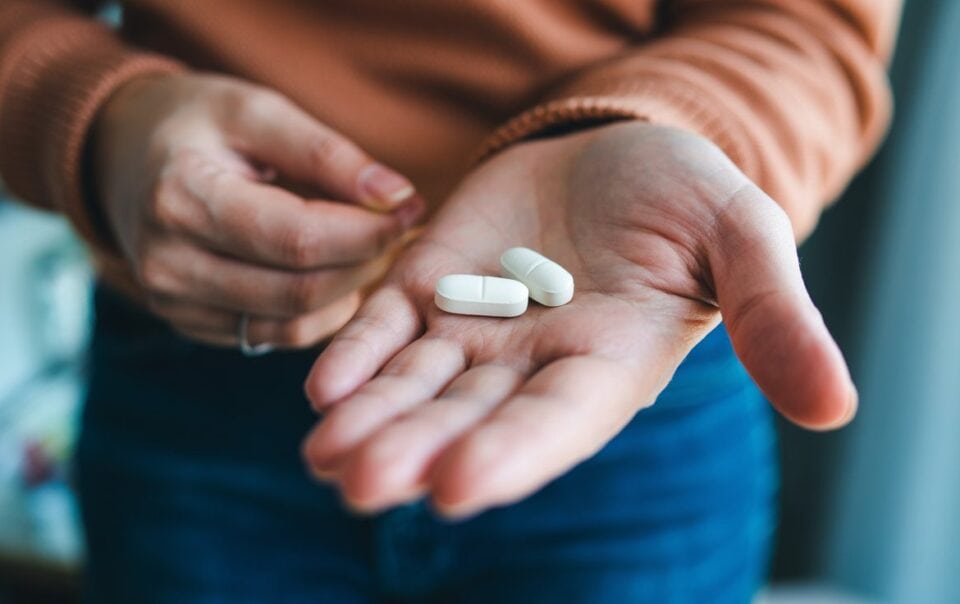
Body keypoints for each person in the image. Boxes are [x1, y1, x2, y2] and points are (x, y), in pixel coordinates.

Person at [0, 1, 901, 602]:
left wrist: (656, 124)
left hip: (630, 338)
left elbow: (811, 21)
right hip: (194, 361)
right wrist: (100, 115)